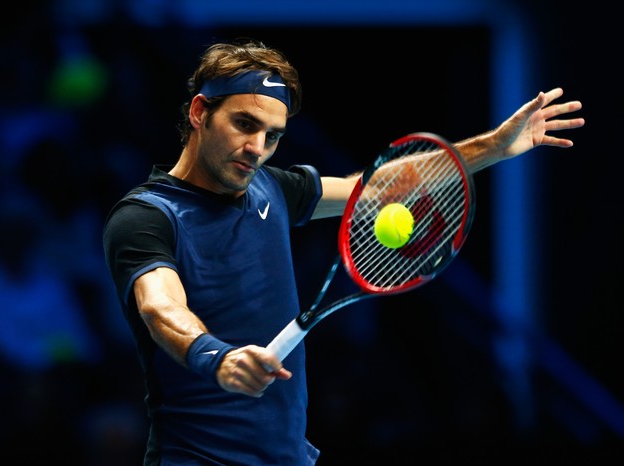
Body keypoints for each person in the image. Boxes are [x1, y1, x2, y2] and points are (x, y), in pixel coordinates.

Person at [102, 38, 584, 465]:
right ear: (199, 112)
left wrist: (495, 147)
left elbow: (375, 188)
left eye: (273, 136)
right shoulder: (147, 216)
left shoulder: (272, 188)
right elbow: (159, 306)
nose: (257, 147)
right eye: (244, 124)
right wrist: (217, 357)